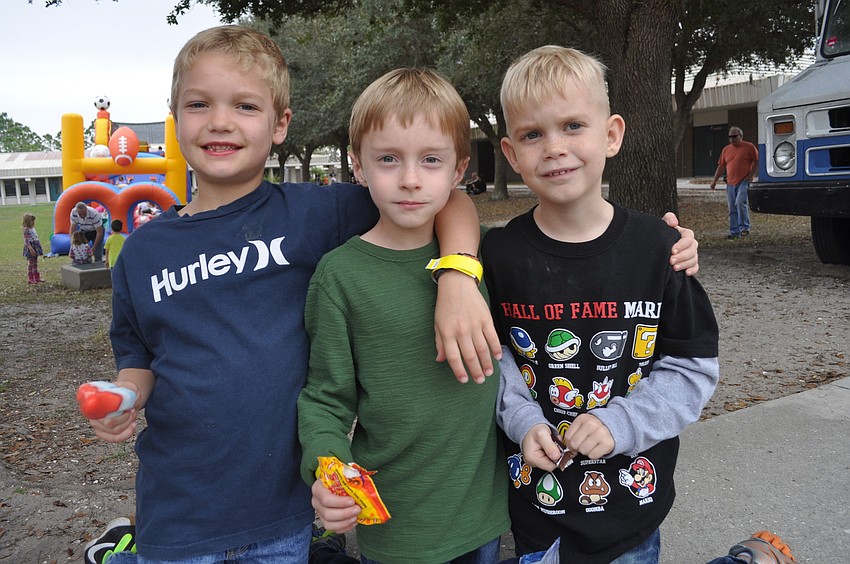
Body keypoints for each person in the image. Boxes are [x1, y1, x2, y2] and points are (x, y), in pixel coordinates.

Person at [82, 25, 498, 564]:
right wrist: (124, 397)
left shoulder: (316, 214)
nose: (221, 121)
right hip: (179, 511)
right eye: (199, 103)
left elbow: (448, 199)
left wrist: (459, 275)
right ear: (175, 115)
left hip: (283, 512)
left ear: (280, 125)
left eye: (246, 106)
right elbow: (139, 360)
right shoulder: (140, 253)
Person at [484, 45, 719, 563]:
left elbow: (693, 367)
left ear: (611, 134)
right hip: (536, 514)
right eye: (532, 134)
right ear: (510, 153)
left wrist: (623, 423)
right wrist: (522, 420)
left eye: (573, 126)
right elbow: (492, 359)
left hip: (632, 517)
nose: (553, 148)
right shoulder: (497, 256)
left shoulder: (660, 249)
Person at [298, 68, 509, 564]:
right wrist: (328, 467)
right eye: (388, 159)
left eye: (430, 160)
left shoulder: (483, 258)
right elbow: (326, 398)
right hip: (394, 528)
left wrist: (667, 247)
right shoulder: (339, 276)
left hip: (485, 518)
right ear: (358, 165)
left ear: (458, 170)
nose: (410, 178)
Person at [710, 126, 758, 239]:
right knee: (732, 207)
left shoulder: (749, 147)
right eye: (730, 137)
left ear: (741, 136)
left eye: (734, 136)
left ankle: (744, 228)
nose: (732, 139)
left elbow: (757, 161)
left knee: (740, 202)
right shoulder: (726, 150)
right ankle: (734, 232)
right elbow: (721, 166)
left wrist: (750, 176)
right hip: (730, 183)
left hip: (744, 181)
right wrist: (714, 181)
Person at [21, 212, 43, 284]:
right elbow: (26, 241)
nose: (33, 222)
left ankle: (37, 277)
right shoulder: (26, 230)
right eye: (32, 221)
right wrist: (31, 249)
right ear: (28, 221)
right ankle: (31, 278)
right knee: (31, 263)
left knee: (35, 262)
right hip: (31, 247)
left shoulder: (32, 228)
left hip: (35, 246)